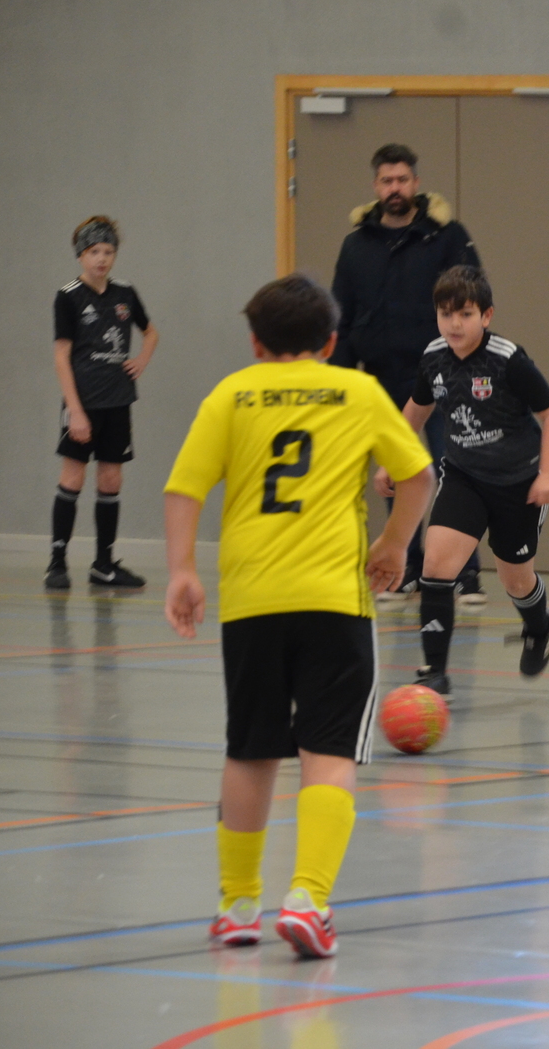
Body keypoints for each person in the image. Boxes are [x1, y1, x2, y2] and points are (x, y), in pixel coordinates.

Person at [162, 274, 435, 959]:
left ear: (256, 342)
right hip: (334, 600)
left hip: (252, 601)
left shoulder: (231, 394)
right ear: (332, 341)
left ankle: (236, 907)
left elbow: (184, 487)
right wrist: (393, 543)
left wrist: (183, 570)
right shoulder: (358, 392)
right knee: (329, 752)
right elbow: (418, 475)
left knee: (250, 750)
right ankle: (308, 900)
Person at [374, 266, 549, 699]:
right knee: (436, 567)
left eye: (465, 314)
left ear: (486, 316)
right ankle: (435, 672)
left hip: (519, 484)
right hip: (464, 476)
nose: (454, 324)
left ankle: (539, 626)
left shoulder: (507, 359)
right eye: (446, 314)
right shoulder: (433, 357)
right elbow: (416, 410)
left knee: (516, 581)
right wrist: (392, 459)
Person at [330, 143, 484, 602]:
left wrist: (467, 361)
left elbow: (472, 299)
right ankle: (404, 569)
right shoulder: (356, 245)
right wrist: (341, 377)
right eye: (386, 181)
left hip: (443, 376)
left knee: (454, 473)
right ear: (375, 186)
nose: (394, 188)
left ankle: (463, 573)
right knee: (394, 475)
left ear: (416, 183)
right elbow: (342, 316)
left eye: (402, 179)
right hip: (380, 378)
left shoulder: (447, 236)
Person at [46, 216, 160, 589]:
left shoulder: (125, 293)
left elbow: (151, 333)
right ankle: (57, 563)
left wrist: (141, 359)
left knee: (111, 479)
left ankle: (104, 565)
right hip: (83, 402)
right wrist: (75, 411)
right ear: (81, 255)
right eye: (95, 251)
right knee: (72, 477)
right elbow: (61, 356)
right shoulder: (68, 296)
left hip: (117, 401)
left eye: (108, 251)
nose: (102, 259)